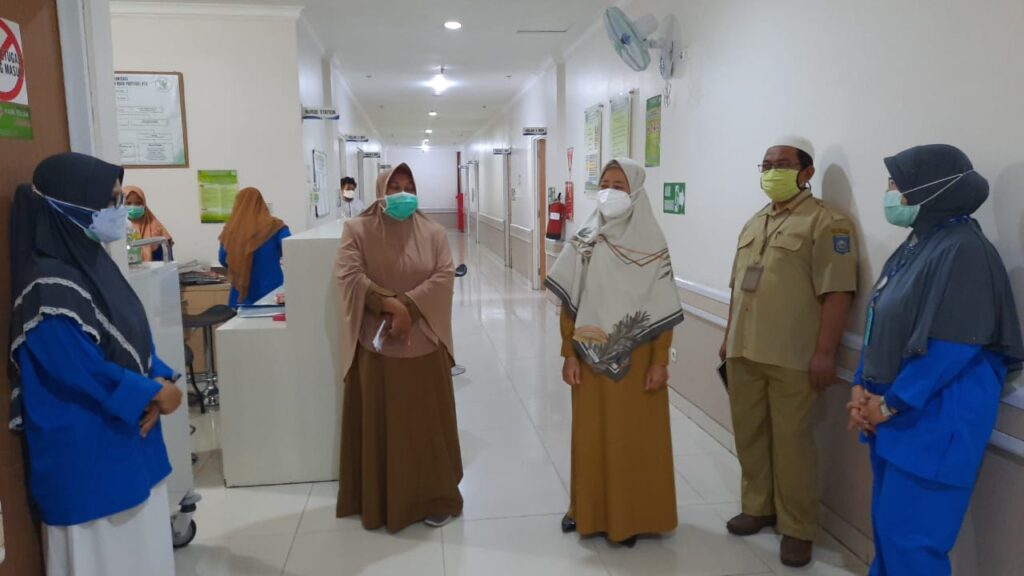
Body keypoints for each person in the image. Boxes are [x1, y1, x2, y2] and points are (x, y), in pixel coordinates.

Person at [847, 144, 1023, 576]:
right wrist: (860, 387)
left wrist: (889, 404)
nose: (890, 193)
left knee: (913, 546)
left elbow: (952, 347)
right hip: (892, 415)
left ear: (930, 189)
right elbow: (878, 320)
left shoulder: (965, 251)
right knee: (889, 535)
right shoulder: (917, 245)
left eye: (897, 184)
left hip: (934, 423)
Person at [8, 152, 183, 576]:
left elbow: (133, 339)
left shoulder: (94, 264)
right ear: (71, 204)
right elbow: (78, 371)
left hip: (131, 437)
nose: (118, 211)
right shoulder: (47, 286)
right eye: (109, 200)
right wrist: (154, 392)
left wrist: (162, 380)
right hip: (88, 457)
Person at [720, 136, 858, 567]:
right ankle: (758, 506)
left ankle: (798, 527)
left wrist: (825, 353)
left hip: (792, 356)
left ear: (806, 172)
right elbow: (737, 288)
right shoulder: (754, 222)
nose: (771, 172)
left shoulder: (828, 223)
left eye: (781, 163)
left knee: (793, 444)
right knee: (749, 435)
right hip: (744, 350)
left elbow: (838, 292)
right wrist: (727, 336)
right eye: (765, 165)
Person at [546, 158, 683, 548]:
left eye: (619, 185)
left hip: (638, 360)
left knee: (633, 440)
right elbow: (569, 304)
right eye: (604, 184)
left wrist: (660, 361)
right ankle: (586, 510)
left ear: (635, 191)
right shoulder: (585, 238)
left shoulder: (652, 243)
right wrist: (568, 353)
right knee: (590, 438)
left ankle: (632, 517)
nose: (609, 191)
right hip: (590, 356)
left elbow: (662, 307)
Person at [334, 163, 462, 532]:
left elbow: (444, 276)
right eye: (394, 187)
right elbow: (349, 275)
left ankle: (434, 497)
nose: (402, 194)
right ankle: (380, 499)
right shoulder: (357, 230)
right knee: (384, 424)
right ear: (380, 191)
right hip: (377, 347)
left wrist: (407, 308)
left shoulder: (433, 232)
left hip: (424, 344)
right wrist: (389, 305)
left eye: (409, 186)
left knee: (425, 427)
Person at [218, 187, 291, 307]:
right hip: (270, 289)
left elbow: (223, 259)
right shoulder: (276, 227)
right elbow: (290, 249)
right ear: (261, 203)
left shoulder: (231, 231)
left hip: (241, 293)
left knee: (241, 318)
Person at [124, 185, 174, 261]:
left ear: (144, 204)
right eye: (128, 203)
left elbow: (165, 261)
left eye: (138, 203)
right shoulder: (115, 229)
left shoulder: (155, 227)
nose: (133, 207)